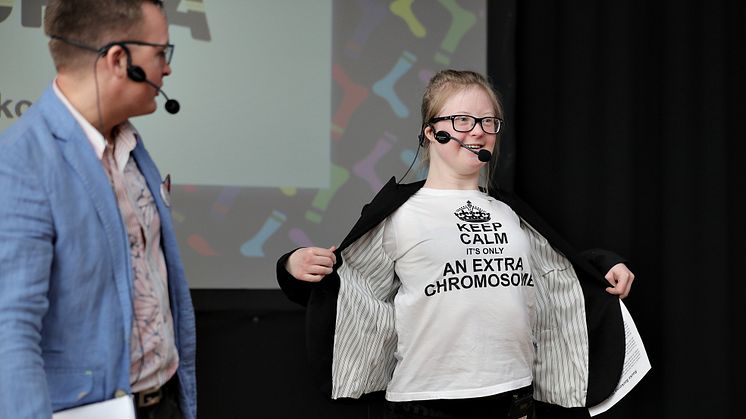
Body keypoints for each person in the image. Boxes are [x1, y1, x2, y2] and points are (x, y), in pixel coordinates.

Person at [276, 69, 635, 419]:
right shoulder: (399, 215)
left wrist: (603, 266)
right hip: (425, 403)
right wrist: (293, 267)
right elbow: (345, 285)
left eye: (488, 121)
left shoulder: (511, 213)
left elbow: (555, 273)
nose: (477, 132)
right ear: (431, 132)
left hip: (513, 400)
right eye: (462, 120)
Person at [0, 1, 195, 418]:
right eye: (161, 53)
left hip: (164, 402)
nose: (167, 69)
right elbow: (11, 333)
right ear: (119, 60)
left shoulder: (130, 146)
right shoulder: (21, 163)